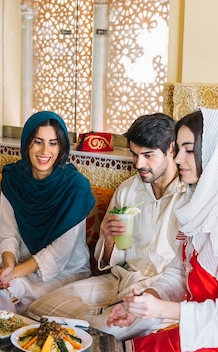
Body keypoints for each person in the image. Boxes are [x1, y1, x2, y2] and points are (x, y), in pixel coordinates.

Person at [109, 107, 218, 351]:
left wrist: (162, 310)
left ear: (216, 152)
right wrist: (145, 301)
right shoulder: (200, 206)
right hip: (201, 333)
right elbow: (180, 274)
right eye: (178, 149)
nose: (178, 158)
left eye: (189, 150)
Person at [27, 113, 186, 340]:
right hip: (119, 280)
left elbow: (185, 271)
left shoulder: (188, 196)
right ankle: (92, 321)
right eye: (135, 154)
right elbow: (109, 261)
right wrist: (109, 239)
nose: (138, 164)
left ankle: (94, 324)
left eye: (148, 155)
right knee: (40, 308)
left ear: (171, 150)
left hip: (158, 293)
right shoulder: (128, 190)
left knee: (104, 329)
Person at [0, 111, 95, 315]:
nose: (45, 151)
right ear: (27, 144)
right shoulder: (14, 179)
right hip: (23, 266)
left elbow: (59, 253)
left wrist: (12, 273)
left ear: (61, 147)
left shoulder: (75, 188)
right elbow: (8, 234)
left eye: (53, 143)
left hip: (66, 272)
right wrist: (7, 266)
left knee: (14, 292)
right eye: (38, 141)